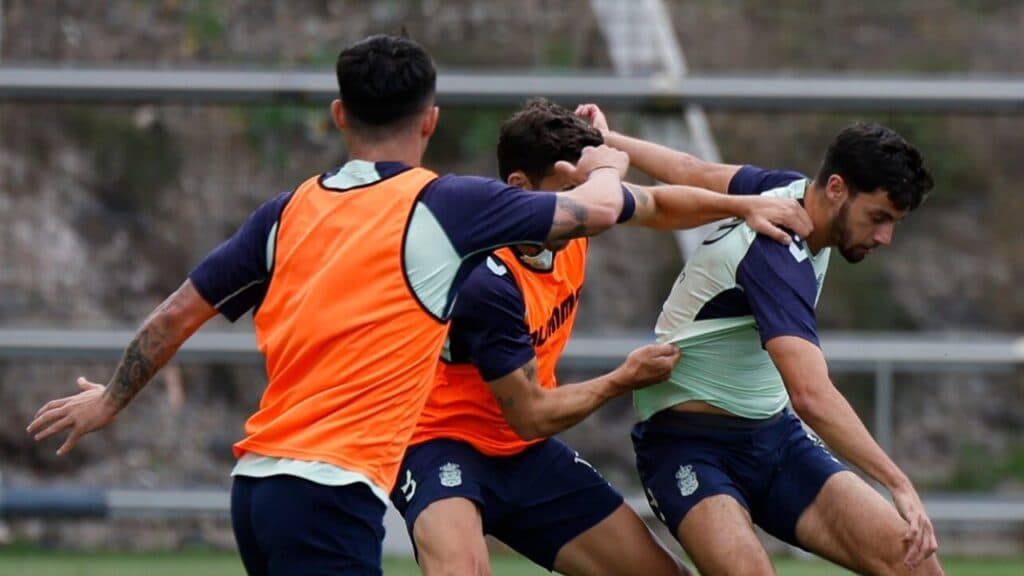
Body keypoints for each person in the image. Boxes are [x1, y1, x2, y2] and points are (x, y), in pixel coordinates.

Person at [24, 35, 644, 576]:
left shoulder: (286, 211)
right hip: (329, 490)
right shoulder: (447, 206)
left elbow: (173, 316)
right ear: (429, 121)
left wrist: (110, 398)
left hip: (258, 489)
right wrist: (609, 165)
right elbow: (595, 212)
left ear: (339, 114)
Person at [392, 99, 813, 576]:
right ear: (519, 187)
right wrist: (622, 379)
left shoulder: (577, 215)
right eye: (572, 189)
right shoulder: (487, 280)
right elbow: (532, 414)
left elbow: (657, 204)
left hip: (520, 450)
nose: (592, 207)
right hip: (438, 441)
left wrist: (744, 206)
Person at [578, 104, 944, 576]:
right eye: (878, 217)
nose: (885, 236)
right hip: (688, 447)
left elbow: (694, 171)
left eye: (893, 221)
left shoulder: (788, 191)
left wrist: (612, 141)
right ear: (836, 189)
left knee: (914, 562)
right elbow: (811, 395)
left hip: (774, 439)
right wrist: (898, 483)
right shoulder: (776, 257)